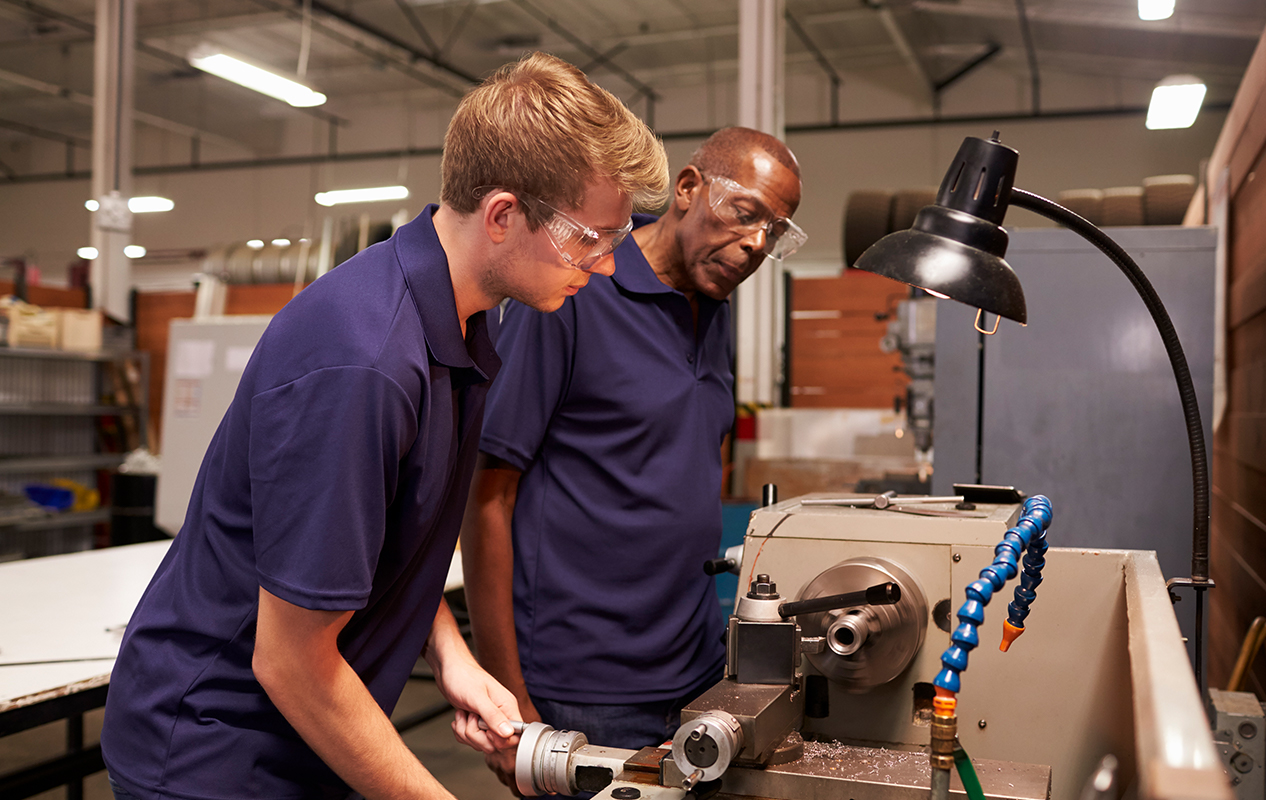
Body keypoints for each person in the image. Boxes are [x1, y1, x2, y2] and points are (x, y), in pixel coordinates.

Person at [100, 52, 668, 800]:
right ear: (502, 215)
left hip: (303, 734)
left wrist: (452, 655)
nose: (601, 266)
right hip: (215, 754)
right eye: (587, 238)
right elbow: (290, 661)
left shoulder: (457, 324)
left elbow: (378, 536)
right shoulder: (363, 359)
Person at [463, 127, 804, 789]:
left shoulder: (714, 309)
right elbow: (486, 496)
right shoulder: (573, 291)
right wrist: (509, 701)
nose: (756, 244)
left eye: (776, 233)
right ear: (687, 188)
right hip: (585, 686)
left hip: (697, 671)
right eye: (745, 215)